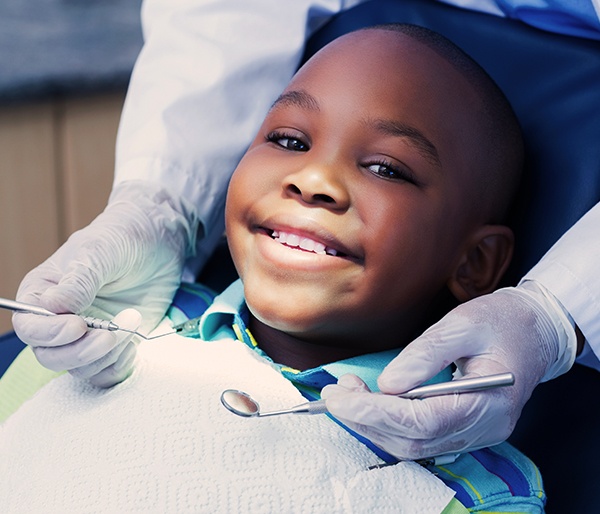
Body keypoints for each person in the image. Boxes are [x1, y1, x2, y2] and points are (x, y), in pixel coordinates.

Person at [10, 0, 600, 462]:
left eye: (386, 169)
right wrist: (159, 202)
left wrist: (554, 315)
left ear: (475, 264)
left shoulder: (474, 485)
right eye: (290, 141)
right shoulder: (91, 343)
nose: (313, 178)